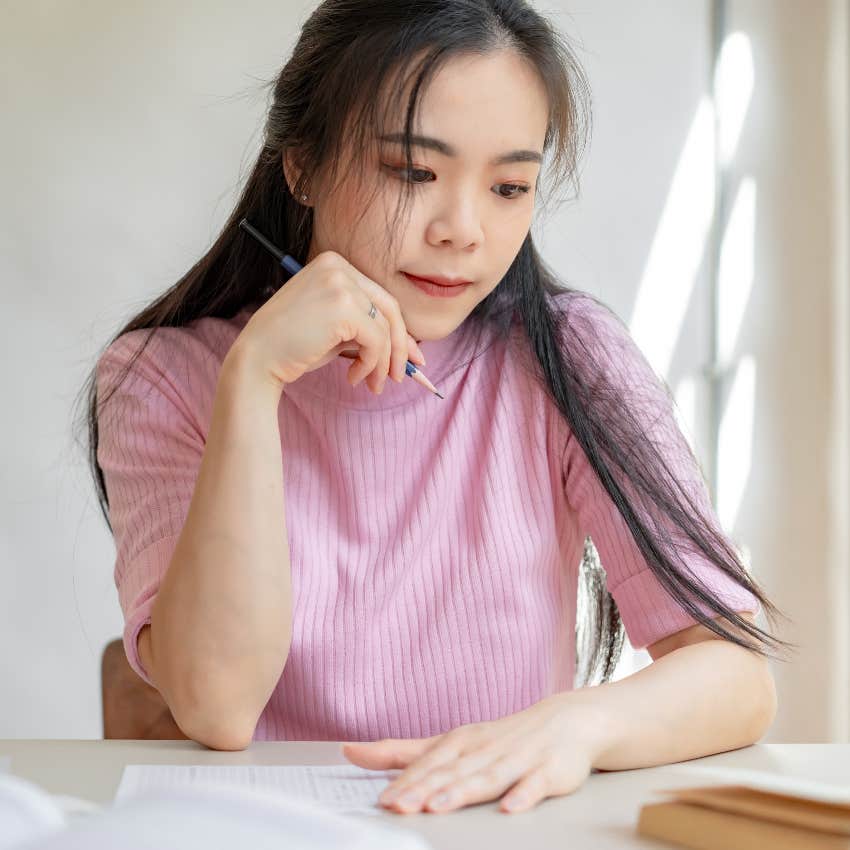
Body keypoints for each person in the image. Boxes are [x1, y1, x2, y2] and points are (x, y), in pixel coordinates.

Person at [79, 0, 793, 816]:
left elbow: (737, 673)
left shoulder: (567, 359)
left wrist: (573, 727)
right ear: (301, 163)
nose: (464, 229)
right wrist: (254, 382)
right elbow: (217, 704)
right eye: (414, 172)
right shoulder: (162, 376)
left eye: (508, 186)